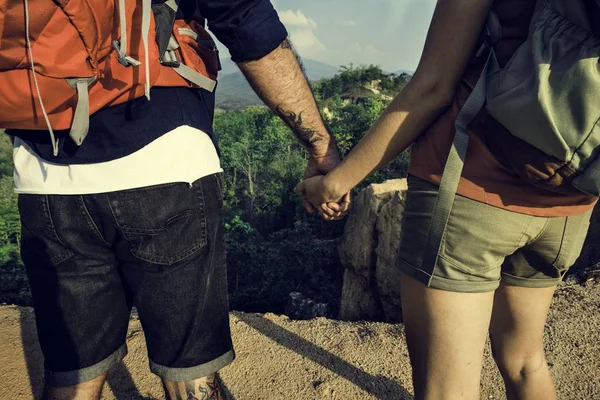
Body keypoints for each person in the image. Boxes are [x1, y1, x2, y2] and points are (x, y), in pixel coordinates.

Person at [1, 0, 348, 399]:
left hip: (45, 170)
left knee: (74, 370)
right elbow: (246, 21)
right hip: (165, 161)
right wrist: (321, 147)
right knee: (190, 370)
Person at [296, 0, 597, 399]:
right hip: (567, 200)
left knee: (446, 390)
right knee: (526, 363)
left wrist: (335, 183)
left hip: (470, 191)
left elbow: (433, 87)